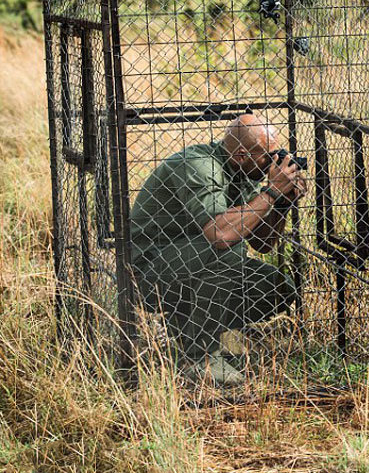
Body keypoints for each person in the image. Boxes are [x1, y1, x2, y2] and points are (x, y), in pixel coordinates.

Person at [129, 113, 306, 386]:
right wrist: (270, 192)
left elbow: (262, 243)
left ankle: (187, 329)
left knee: (277, 286)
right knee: (228, 251)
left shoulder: (245, 171)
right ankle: (199, 358)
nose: (274, 162)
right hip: (147, 269)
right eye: (268, 156)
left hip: (189, 262)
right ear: (241, 155)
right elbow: (221, 235)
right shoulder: (199, 165)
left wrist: (281, 203)